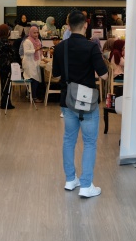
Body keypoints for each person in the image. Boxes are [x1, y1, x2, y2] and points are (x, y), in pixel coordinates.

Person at [52, 10, 108, 198]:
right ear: (86, 25)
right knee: (89, 142)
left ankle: (70, 180)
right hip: (87, 102)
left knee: (69, 139)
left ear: (68, 26)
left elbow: (56, 74)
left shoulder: (60, 47)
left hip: (67, 100)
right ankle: (86, 185)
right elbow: (104, 75)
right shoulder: (92, 47)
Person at [0, 24, 17, 110]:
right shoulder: (4, 40)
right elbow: (12, 50)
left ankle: (5, 102)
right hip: (5, 64)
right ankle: (6, 103)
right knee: (6, 84)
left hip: (1, 64)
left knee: (4, 83)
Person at [21, 25, 43, 103]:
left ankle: (32, 96)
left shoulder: (38, 41)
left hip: (35, 63)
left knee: (36, 79)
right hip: (29, 63)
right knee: (34, 79)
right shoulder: (27, 41)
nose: (36, 34)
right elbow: (26, 52)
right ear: (30, 33)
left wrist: (43, 58)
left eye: (37, 32)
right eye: (34, 33)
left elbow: (40, 51)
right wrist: (35, 50)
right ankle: (33, 97)